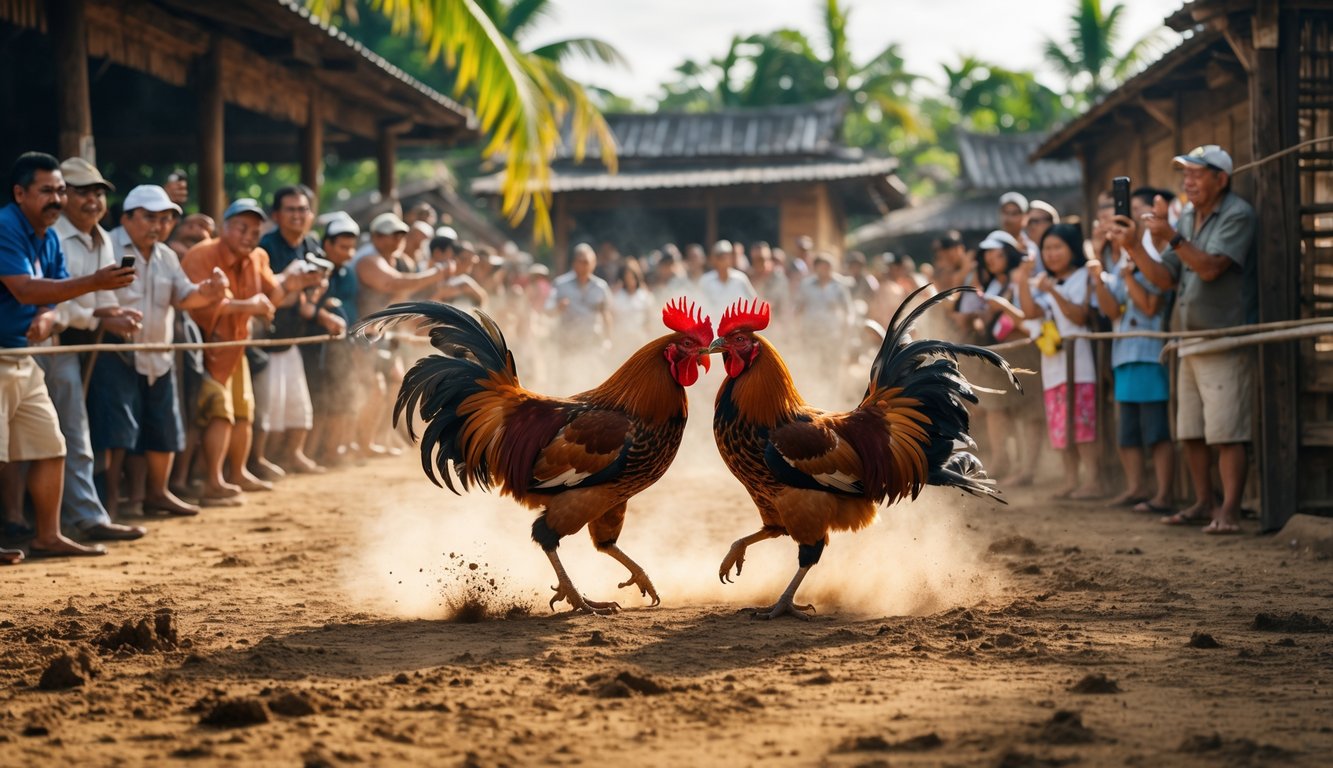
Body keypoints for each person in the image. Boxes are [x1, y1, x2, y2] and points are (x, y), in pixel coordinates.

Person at [1111, 145, 1257, 534]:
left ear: (1220, 179)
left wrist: (1171, 236)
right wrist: (1132, 245)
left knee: (1228, 430)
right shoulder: (1190, 217)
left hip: (1223, 335)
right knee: (1191, 430)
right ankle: (1203, 502)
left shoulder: (1237, 214)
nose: (1188, 181)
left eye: (1196, 174)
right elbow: (1165, 277)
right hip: (1188, 336)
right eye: (1185, 174)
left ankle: (1230, 510)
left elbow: (1209, 268)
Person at [0, 152, 134, 560]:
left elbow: (49, 295)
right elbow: (24, 288)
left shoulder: (50, 236)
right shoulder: (5, 226)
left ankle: (47, 535)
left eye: (60, 190)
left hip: (23, 355)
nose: (56, 199)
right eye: (48, 191)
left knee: (52, 445)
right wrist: (94, 282)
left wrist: (47, 316)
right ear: (20, 193)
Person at [90, 184, 229, 518]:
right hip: (115, 352)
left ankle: (155, 493)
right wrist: (111, 318)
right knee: (118, 433)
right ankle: (111, 503)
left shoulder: (166, 255)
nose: (159, 225)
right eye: (150, 217)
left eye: (166, 218)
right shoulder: (105, 245)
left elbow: (183, 297)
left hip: (159, 355)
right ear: (127, 217)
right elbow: (93, 298)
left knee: (161, 428)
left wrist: (209, 292)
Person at [181, 198, 320, 506]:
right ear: (225, 227)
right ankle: (212, 481)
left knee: (243, 413)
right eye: (241, 228)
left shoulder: (258, 256)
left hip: (237, 345)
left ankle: (237, 472)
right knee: (219, 412)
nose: (248, 235)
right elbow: (198, 304)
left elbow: (273, 297)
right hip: (204, 346)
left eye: (254, 230)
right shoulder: (202, 255)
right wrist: (252, 306)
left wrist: (295, 284)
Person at [43, 158, 147, 540]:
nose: (93, 199)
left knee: (72, 430)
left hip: (79, 345)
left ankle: (81, 515)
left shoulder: (102, 238)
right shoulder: (50, 235)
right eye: (83, 191)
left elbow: (100, 297)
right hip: (47, 343)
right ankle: (60, 518)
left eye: (99, 192)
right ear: (62, 194)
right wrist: (103, 318)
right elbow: (54, 300)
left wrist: (112, 314)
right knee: (59, 431)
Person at [1017, 223, 1102, 500]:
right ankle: (1070, 480)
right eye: (1047, 249)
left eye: (1057, 247)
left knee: (1083, 424)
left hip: (1080, 365)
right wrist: (1024, 278)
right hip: (1054, 367)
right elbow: (1030, 312)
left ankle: (1092, 479)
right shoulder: (1044, 280)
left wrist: (1053, 291)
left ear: (1071, 249)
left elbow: (1079, 316)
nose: (1052, 254)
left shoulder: (1082, 277)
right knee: (1061, 426)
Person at [1088, 244, 1175, 513]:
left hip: (1150, 357)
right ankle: (1136, 488)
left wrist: (1126, 277)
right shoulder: (1120, 270)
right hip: (1124, 358)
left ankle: (1164, 495)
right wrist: (1098, 279)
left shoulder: (1156, 273)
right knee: (1127, 432)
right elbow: (1112, 311)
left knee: (1157, 431)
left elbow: (1149, 307)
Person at [255, 185, 330, 476]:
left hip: (295, 336)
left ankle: (292, 454)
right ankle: (260, 459)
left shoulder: (312, 244)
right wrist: (291, 288)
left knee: (297, 404)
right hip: (266, 335)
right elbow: (265, 293)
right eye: (291, 209)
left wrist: (313, 291)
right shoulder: (265, 247)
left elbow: (316, 287)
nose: (298, 215)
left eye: (303, 209)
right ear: (276, 215)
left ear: (311, 214)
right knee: (268, 407)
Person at [304, 216, 360, 468]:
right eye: (342, 247)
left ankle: (332, 451)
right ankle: (311, 453)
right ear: (327, 244)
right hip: (317, 348)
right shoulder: (315, 270)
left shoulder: (348, 273)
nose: (348, 253)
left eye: (351, 247)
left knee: (342, 398)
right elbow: (308, 306)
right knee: (320, 400)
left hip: (344, 346)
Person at [547, 243, 612, 392]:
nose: (584, 266)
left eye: (588, 262)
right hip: (568, 342)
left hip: (592, 342)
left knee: (593, 380)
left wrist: (608, 339)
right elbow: (548, 310)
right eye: (581, 262)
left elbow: (606, 315)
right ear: (574, 263)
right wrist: (558, 308)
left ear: (594, 264)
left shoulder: (601, 287)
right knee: (566, 379)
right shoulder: (560, 284)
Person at [699, 239, 757, 320]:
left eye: (727, 257)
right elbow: (699, 305)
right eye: (720, 257)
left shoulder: (740, 279)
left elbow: (753, 302)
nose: (724, 261)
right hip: (713, 326)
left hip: (737, 326)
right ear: (714, 259)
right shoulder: (706, 281)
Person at [608, 259, 654, 358]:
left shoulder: (645, 297)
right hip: (621, 340)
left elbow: (649, 320)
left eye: (632, 277)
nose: (630, 281)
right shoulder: (617, 297)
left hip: (639, 340)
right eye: (627, 277)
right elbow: (611, 317)